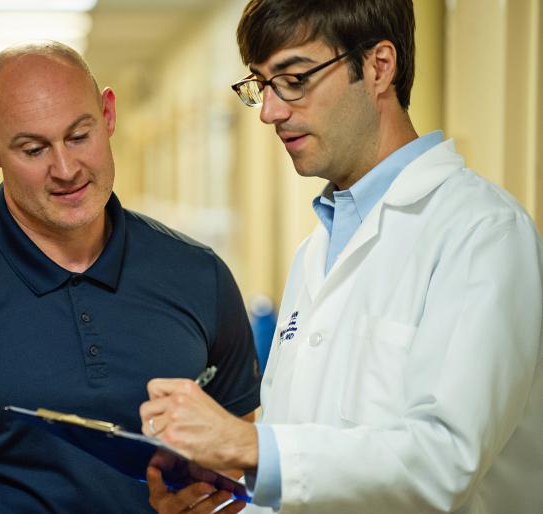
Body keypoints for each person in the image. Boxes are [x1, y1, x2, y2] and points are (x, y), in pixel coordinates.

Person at [139, 1, 543, 513]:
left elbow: (445, 461)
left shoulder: (481, 232)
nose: (270, 111)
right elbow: (314, 456)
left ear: (378, 67)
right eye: (262, 85)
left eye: (294, 79)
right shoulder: (316, 251)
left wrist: (248, 445)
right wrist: (227, 498)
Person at [0, 41, 260, 513]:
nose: (66, 170)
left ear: (108, 114)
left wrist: (202, 496)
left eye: (78, 136)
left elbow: (237, 450)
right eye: (33, 149)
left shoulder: (199, 275)